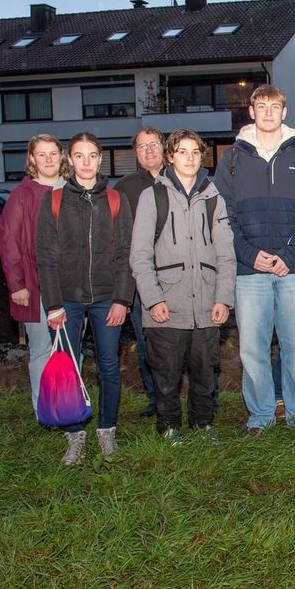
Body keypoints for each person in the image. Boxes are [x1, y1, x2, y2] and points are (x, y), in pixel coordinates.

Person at [213, 85, 295, 436]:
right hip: (249, 271)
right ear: (251, 111)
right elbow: (221, 215)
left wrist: (289, 257)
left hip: (294, 270)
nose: (267, 112)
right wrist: (249, 254)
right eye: (261, 106)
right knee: (252, 349)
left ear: (284, 112)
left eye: (274, 106)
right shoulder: (231, 160)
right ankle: (260, 415)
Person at [129, 129, 236, 445]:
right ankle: (169, 428)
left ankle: (203, 425)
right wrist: (152, 299)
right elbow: (140, 255)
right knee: (166, 375)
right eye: (182, 151)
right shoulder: (153, 196)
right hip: (166, 305)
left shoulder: (213, 197)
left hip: (206, 304)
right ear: (170, 156)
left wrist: (224, 298)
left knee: (205, 374)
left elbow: (226, 254)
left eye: (195, 152)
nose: (189, 158)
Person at [35, 132, 135, 465]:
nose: (86, 162)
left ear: (100, 159)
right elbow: (45, 257)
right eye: (79, 155)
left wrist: (122, 299)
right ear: (70, 160)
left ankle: (107, 431)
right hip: (67, 300)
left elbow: (125, 254)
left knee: (109, 366)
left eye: (93, 155)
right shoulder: (54, 201)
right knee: (69, 367)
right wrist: (53, 305)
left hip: (107, 298)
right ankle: (74, 434)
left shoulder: (116, 199)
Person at [0, 134, 67, 416]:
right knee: (41, 349)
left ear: (62, 157)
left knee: (69, 347)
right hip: (35, 285)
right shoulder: (22, 195)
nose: (48, 159)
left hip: (71, 286)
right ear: (31, 160)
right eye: (42, 154)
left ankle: (68, 402)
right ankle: (44, 408)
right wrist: (17, 285)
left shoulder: (74, 190)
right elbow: (9, 240)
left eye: (53, 153)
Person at [112, 127, 165, 418]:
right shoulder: (125, 187)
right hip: (141, 278)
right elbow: (119, 236)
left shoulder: (178, 179)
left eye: (153, 145)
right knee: (146, 343)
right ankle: (155, 398)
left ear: (164, 148)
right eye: (142, 147)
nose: (148, 151)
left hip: (179, 276)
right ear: (136, 153)